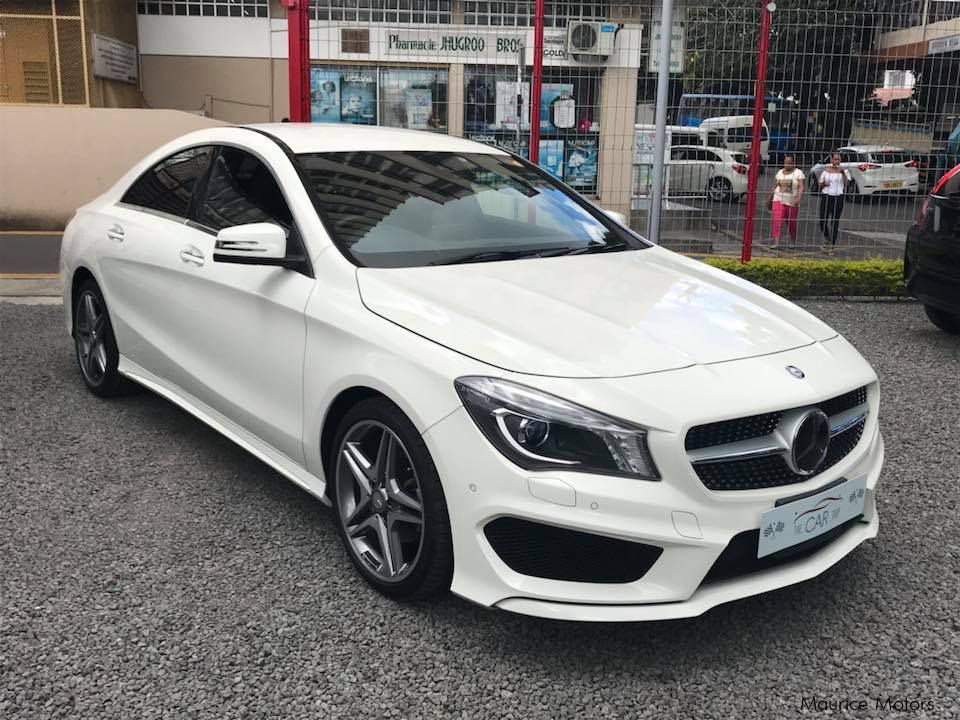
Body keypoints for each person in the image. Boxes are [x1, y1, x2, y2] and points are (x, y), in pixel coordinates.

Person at [767, 155, 805, 250]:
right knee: (777, 220)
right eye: (785, 162)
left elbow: (801, 186)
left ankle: (793, 240)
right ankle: (776, 242)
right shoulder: (779, 172)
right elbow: (775, 186)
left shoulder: (798, 173)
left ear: (793, 163)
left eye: (789, 163)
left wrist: (799, 197)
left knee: (791, 222)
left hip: (792, 202)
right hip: (778, 198)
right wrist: (769, 199)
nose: (787, 165)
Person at [818, 153, 850, 255]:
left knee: (834, 221)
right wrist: (824, 184)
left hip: (838, 197)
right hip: (827, 196)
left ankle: (832, 245)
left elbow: (846, 184)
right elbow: (820, 184)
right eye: (835, 159)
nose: (837, 161)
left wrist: (843, 173)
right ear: (832, 160)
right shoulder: (826, 170)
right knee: (822, 220)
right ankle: (827, 237)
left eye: (838, 159)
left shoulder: (844, 171)